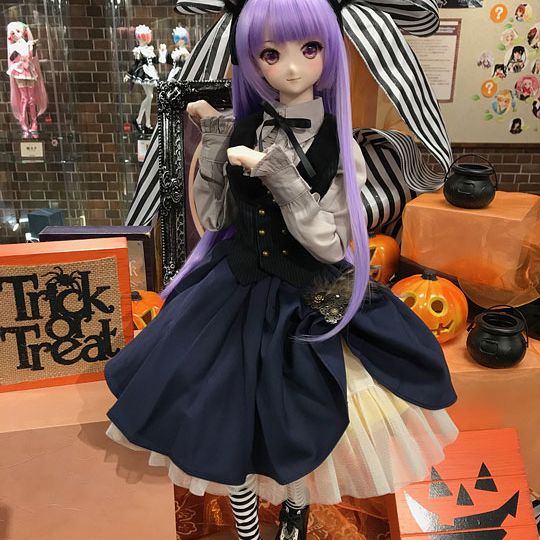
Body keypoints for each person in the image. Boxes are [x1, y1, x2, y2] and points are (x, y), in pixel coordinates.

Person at [105, 1, 458, 539]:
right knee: (227, 419)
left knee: (300, 416)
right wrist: (217, 145)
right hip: (235, 290)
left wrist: (280, 177)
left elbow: (330, 245)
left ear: (329, 52)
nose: (292, 67)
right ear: (252, 60)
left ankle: (295, 513)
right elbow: (216, 219)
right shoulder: (244, 127)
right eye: (271, 54)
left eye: (309, 49)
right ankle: (248, 528)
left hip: (305, 295)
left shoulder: (341, 146)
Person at [6, 21, 47, 139]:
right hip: (19, 71)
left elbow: (32, 56)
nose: (15, 34)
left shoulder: (28, 44)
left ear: (23, 32)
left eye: (18, 31)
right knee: (24, 99)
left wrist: (32, 47)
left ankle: (34, 123)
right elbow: (13, 58)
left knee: (31, 99)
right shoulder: (13, 46)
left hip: (28, 70)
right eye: (13, 32)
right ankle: (23, 123)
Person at [125, 24, 159, 135]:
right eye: (139, 38)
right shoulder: (138, 50)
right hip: (143, 73)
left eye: (143, 38)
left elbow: (155, 60)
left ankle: (148, 124)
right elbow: (135, 64)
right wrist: (129, 74)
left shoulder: (149, 49)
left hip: (151, 72)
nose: (141, 40)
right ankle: (139, 120)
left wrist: (162, 53)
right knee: (150, 96)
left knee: (150, 98)